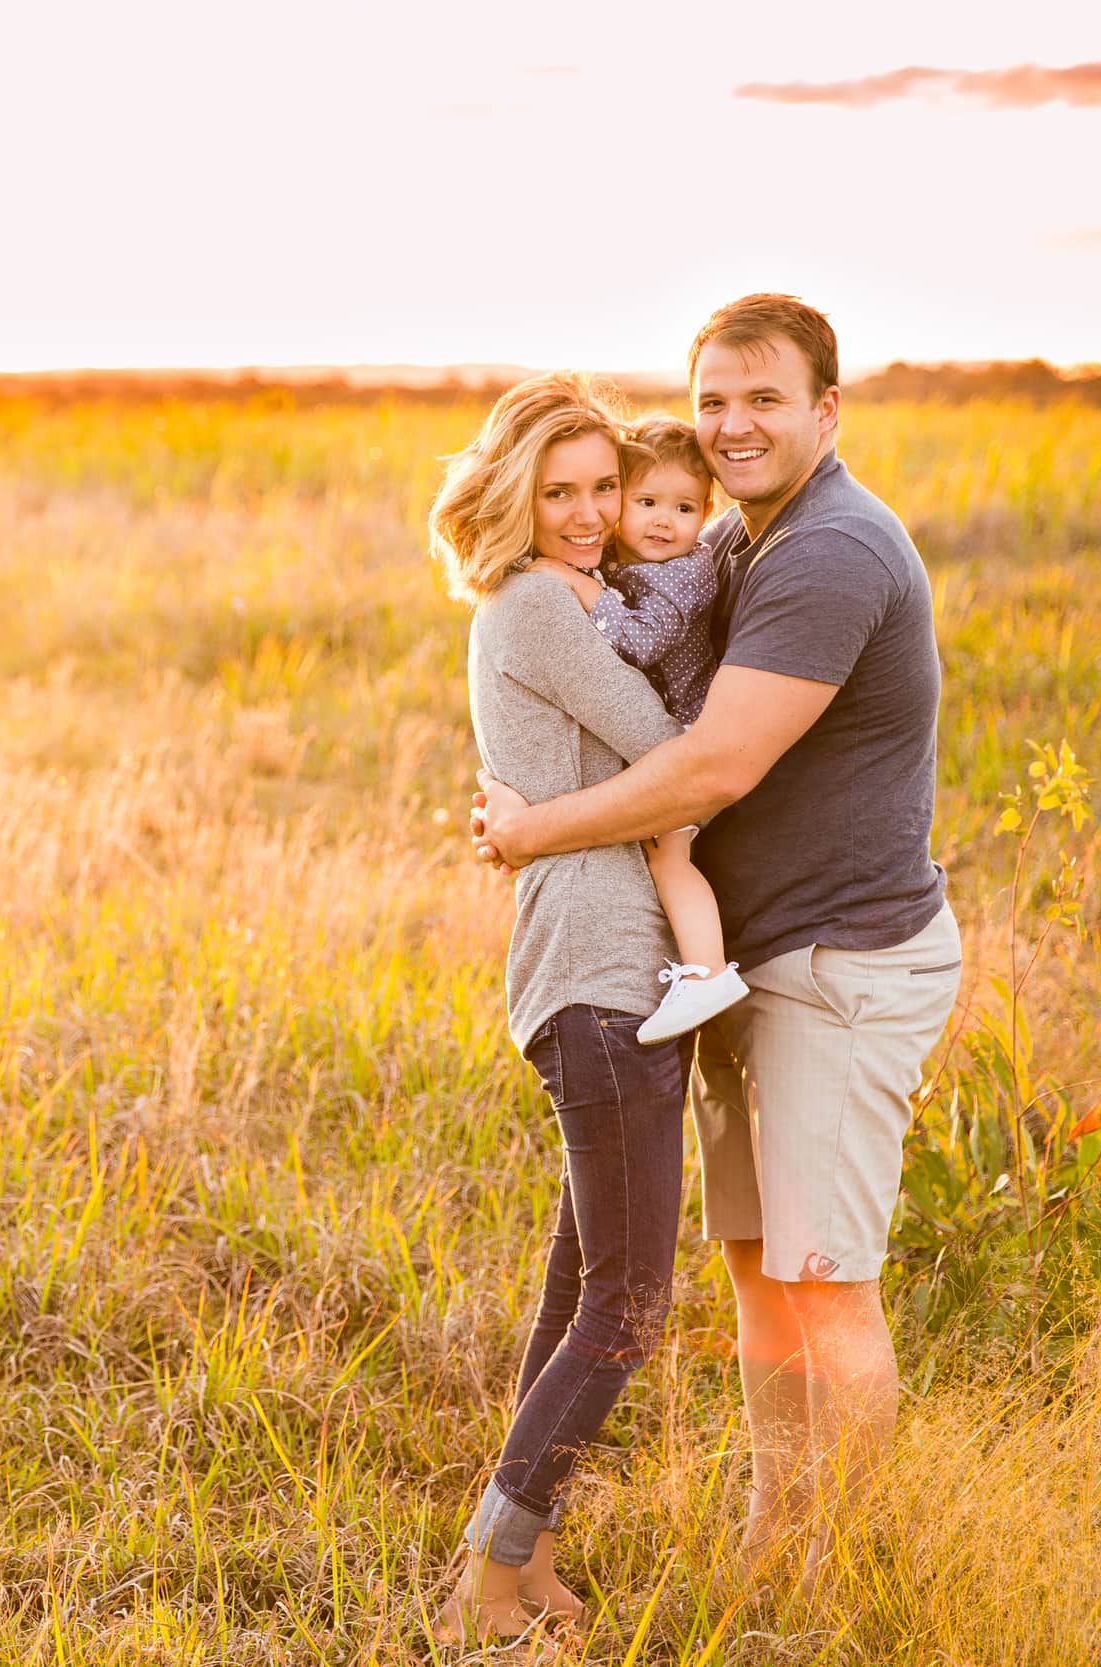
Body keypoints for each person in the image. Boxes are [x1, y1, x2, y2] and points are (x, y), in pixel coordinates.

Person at [470, 294, 962, 1573]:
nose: (732, 425)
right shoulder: (744, 539)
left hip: (834, 964)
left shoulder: (828, 550)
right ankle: (774, 1549)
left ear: (826, 410)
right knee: (758, 1275)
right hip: (743, 968)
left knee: (822, 1281)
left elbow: (706, 767)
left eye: (763, 399)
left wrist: (530, 829)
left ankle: (839, 1576)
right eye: (713, 400)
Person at [424, 370, 696, 1646]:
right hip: (597, 972)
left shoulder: (578, 595)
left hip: (611, 969)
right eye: (561, 490)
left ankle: (522, 1562)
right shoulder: (534, 602)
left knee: (579, 1286)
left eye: (604, 487)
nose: (588, 513)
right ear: (513, 493)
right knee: (630, 1297)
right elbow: (662, 739)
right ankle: (489, 1575)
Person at [537, 415, 748, 1045]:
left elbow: (642, 638)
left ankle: (707, 970)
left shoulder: (687, 570)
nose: (663, 521)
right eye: (647, 502)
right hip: (663, 734)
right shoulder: (631, 561)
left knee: (670, 857)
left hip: (686, 735)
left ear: (706, 512)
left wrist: (578, 587)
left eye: (683, 507)